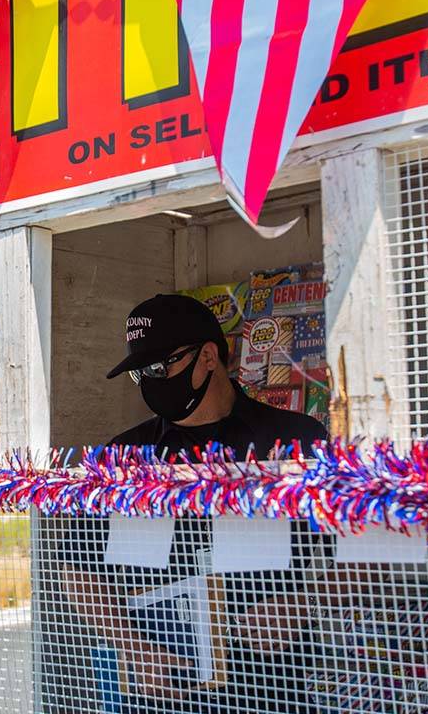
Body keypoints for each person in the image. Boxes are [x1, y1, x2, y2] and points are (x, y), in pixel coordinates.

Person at [63, 294, 329, 713]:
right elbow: (75, 571)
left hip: (276, 685)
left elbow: (362, 553)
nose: (150, 382)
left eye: (159, 367)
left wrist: (308, 601)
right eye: (140, 374)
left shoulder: (297, 440)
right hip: (164, 689)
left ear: (208, 356)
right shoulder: (125, 456)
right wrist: (134, 649)